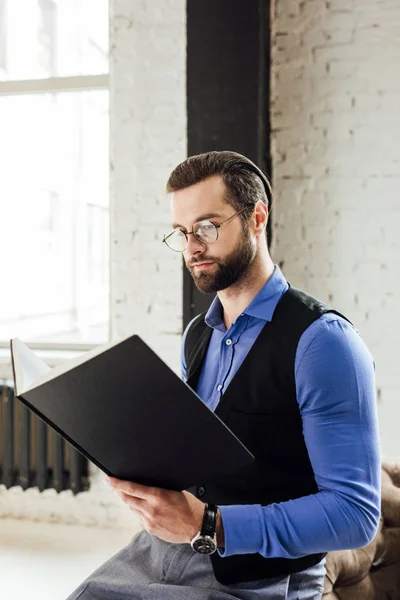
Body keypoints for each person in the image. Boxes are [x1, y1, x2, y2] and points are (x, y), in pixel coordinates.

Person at [67, 151, 381, 600]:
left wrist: (209, 524)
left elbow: (355, 514)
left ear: (257, 217)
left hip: (261, 579)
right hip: (163, 551)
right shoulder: (199, 334)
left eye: (208, 227)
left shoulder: (324, 343)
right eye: (182, 232)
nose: (193, 246)